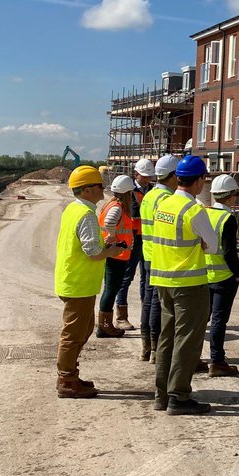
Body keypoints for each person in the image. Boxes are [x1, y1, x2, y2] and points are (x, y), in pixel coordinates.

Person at [150, 154, 219, 415]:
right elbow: (212, 245)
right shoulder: (194, 209)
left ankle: (162, 394)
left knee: (167, 337)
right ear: (199, 181)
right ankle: (179, 395)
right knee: (187, 340)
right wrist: (201, 243)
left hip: (162, 280)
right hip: (189, 283)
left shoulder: (164, 205)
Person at [53, 165, 127, 398]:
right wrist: (111, 250)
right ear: (86, 190)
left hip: (75, 280)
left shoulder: (73, 210)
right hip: (78, 283)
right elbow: (93, 252)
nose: (102, 189)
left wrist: (103, 245)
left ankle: (71, 375)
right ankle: (66, 380)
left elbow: (87, 245)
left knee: (83, 329)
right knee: (73, 334)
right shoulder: (85, 215)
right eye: (98, 185)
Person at [204, 173, 239, 376]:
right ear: (230, 196)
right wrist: (237, 273)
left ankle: (196, 357)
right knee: (219, 320)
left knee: (202, 318)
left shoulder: (205, 213)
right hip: (223, 277)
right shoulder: (227, 218)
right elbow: (230, 251)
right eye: (236, 194)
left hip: (204, 274)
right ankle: (217, 361)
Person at [137, 154, 178, 362]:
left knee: (148, 301)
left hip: (148, 254)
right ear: (172, 176)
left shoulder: (150, 196)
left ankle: (147, 347)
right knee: (157, 303)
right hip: (160, 257)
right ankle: (155, 349)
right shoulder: (166, 199)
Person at [115, 157, 156, 331]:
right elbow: (133, 213)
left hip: (148, 238)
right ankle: (121, 316)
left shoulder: (152, 191)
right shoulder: (129, 192)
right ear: (136, 174)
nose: (147, 179)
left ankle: (145, 315)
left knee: (146, 277)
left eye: (149, 176)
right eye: (144, 176)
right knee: (127, 276)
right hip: (132, 239)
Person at [96, 175, 138, 338]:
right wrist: (113, 236)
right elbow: (109, 222)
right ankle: (105, 326)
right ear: (127, 192)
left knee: (110, 289)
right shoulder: (118, 207)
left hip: (116, 253)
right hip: (117, 254)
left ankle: (105, 325)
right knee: (111, 290)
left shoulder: (110, 204)